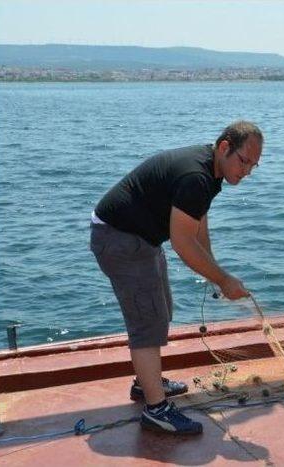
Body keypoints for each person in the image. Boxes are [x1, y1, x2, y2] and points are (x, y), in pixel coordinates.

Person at [90, 120, 262, 434]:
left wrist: (213, 268)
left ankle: (147, 384)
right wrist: (223, 280)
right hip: (120, 239)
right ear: (224, 147)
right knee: (148, 323)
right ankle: (156, 410)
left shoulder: (209, 171)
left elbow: (198, 224)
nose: (247, 170)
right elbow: (182, 243)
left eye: (254, 165)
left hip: (140, 238)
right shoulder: (196, 176)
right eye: (243, 160)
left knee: (161, 309)